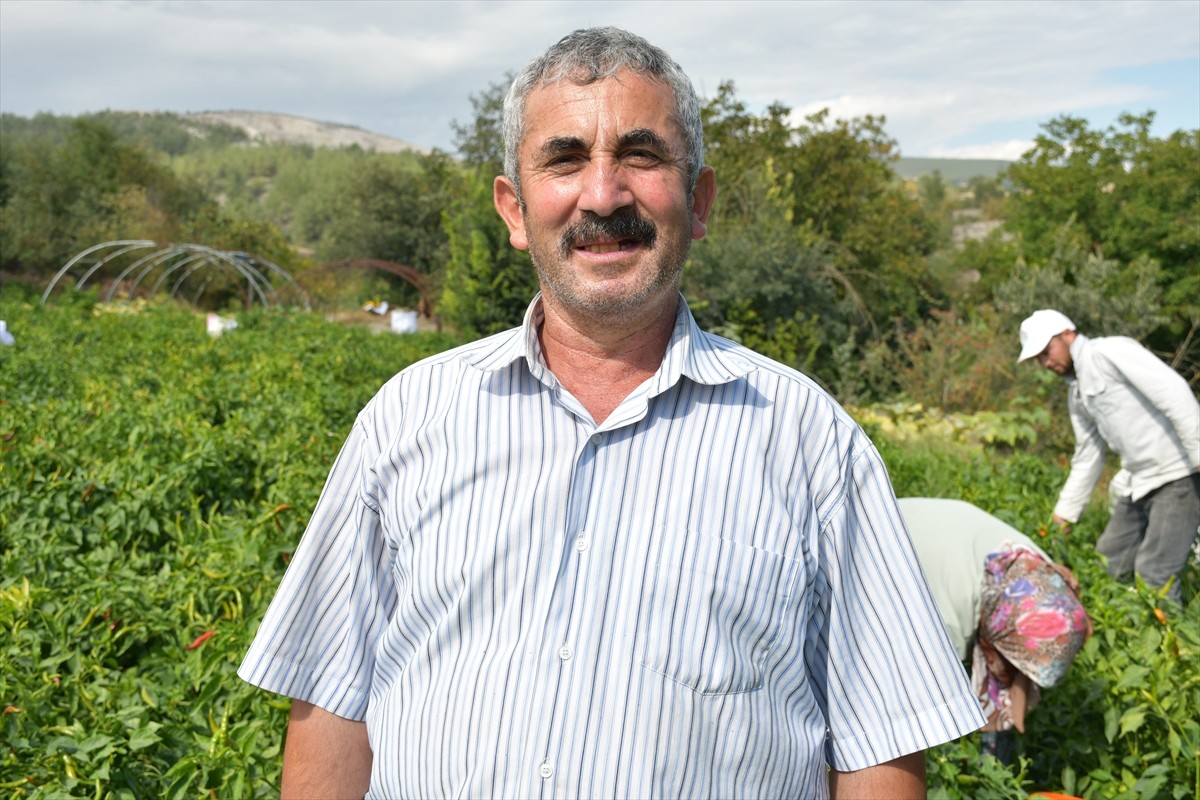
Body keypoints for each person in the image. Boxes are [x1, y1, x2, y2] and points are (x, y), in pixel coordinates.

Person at [239, 27, 984, 799]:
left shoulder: (808, 439)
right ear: (514, 209)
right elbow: (331, 700)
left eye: (642, 155)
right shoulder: (407, 419)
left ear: (697, 202)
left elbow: (879, 745)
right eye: (564, 159)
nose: (603, 195)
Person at [1017, 309, 1200, 605]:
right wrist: (1063, 516)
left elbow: (1174, 392)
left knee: (1155, 574)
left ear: (1067, 334)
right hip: (1138, 481)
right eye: (1039, 358)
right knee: (1107, 565)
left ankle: (1172, 647)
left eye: (1046, 351)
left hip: (1176, 473)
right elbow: (1088, 457)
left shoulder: (1109, 353)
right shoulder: (1077, 393)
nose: (1046, 362)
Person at [897, 498, 1091, 763]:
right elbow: (916, 698)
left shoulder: (1040, 577)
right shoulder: (944, 620)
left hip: (935, 533)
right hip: (871, 543)